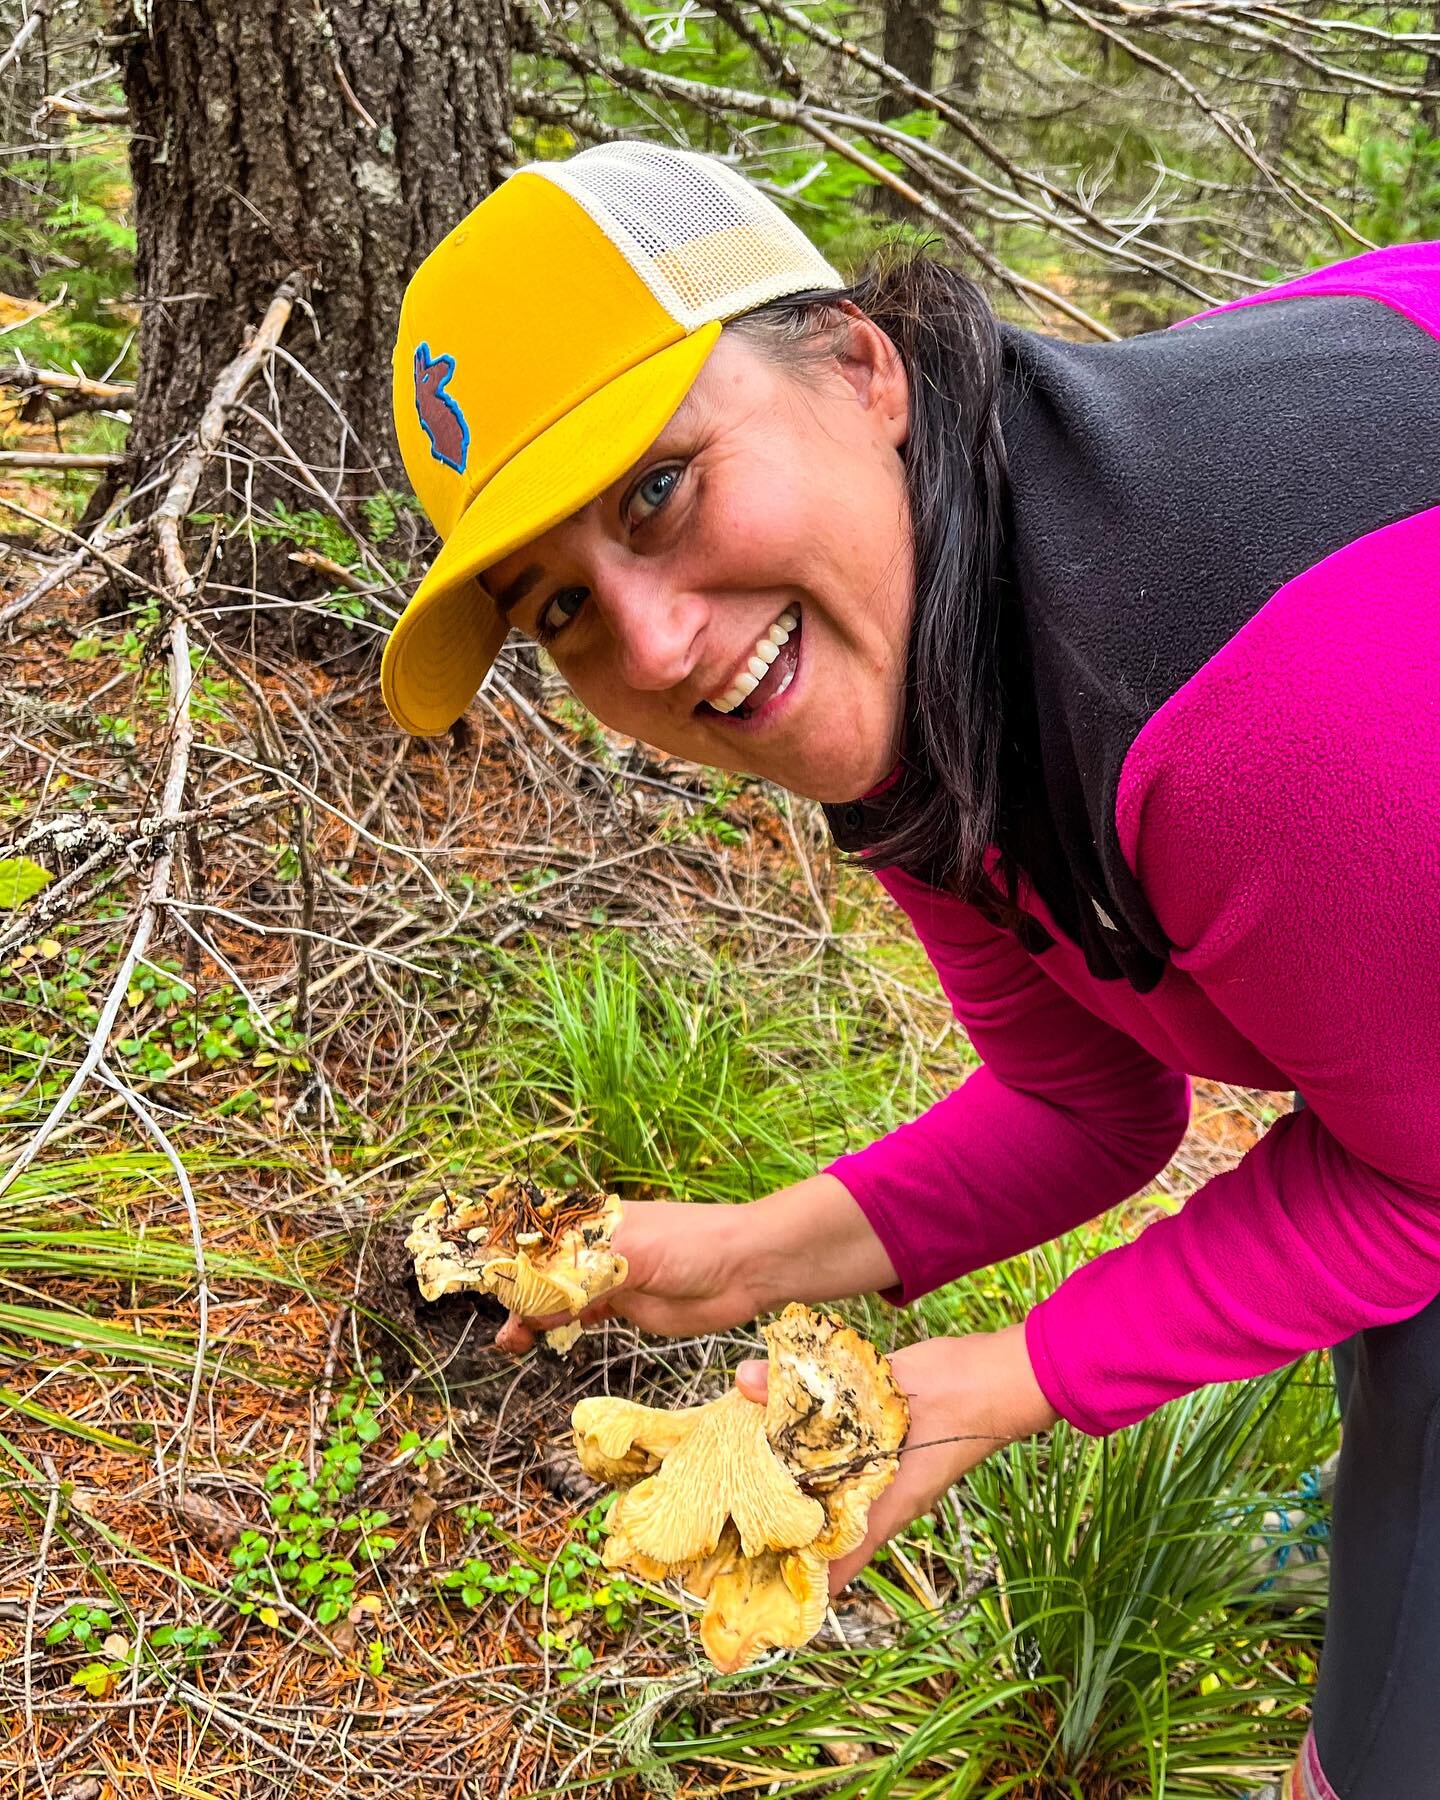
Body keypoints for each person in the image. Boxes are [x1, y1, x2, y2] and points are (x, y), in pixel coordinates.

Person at [379, 141, 1440, 1800]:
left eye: (660, 488)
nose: (655, 646)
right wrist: (736, 1259)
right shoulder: (925, 648)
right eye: (564, 610)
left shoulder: (1249, 694)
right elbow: (1087, 1101)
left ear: (862, 366)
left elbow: (1428, 1179)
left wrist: (1005, 1380)